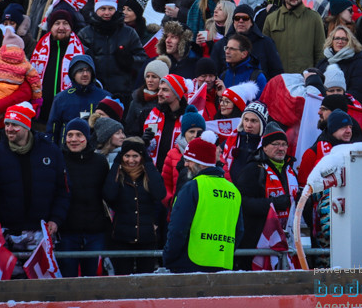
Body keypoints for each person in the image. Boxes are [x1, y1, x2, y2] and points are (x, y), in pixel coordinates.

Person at [0, 102, 70, 237]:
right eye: (7, 124)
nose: (9, 129)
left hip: (42, 231)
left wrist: (56, 219)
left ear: (26, 127)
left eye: (15, 124)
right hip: (6, 232)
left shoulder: (51, 151)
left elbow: (62, 190)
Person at [163, 136, 243, 273]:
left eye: (189, 160)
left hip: (189, 264)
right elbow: (239, 231)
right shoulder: (233, 190)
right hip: (222, 263)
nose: (185, 164)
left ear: (200, 162)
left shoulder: (193, 187)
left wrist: (169, 259)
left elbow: (178, 228)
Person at [235, 123, 298, 269]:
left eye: (284, 144)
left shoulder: (290, 169)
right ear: (264, 147)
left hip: (286, 237)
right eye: (275, 144)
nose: (281, 148)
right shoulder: (253, 169)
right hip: (257, 239)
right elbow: (242, 202)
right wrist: (272, 204)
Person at [103, 137, 168, 275]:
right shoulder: (117, 175)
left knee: (145, 281)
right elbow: (109, 194)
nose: (131, 160)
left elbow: (160, 193)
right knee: (122, 280)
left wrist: (148, 163)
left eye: (135, 156)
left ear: (142, 156)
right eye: (127, 156)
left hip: (147, 239)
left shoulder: (149, 175)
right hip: (121, 239)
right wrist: (116, 164)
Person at [78, 0, 148, 106]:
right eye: (103, 8)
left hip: (123, 95)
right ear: (96, 9)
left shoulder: (129, 33)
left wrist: (130, 60)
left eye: (111, 8)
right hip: (93, 93)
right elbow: (75, 63)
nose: (107, 13)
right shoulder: (85, 34)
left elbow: (143, 61)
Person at [58, 118, 110, 277]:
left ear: (87, 138)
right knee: (68, 279)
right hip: (67, 230)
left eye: (79, 135)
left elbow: (106, 194)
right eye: (70, 135)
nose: (73, 139)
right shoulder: (59, 160)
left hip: (94, 231)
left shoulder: (100, 162)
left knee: (93, 279)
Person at [263, 0, 325, 73]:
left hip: (305, 78)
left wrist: (315, 75)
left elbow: (320, 51)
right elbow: (265, 51)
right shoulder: (271, 19)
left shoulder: (314, 18)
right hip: (280, 79)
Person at [47, 54, 110, 144]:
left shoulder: (105, 97)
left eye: (88, 70)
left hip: (96, 151)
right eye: (80, 70)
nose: (85, 74)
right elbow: (52, 130)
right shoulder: (61, 98)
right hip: (67, 151)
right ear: (73, 74)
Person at [209, 3, 283, 77]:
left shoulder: (266, 43)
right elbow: (213, 73)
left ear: (251, 22)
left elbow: (276, 72)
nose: (241, 21)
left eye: (245, 18)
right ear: (233, 21)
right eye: (237, 18)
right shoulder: (221, 45)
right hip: (229, 87)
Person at [144, 73, 190, 170]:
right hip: (152, 173)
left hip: (177, 172)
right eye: (160, 89)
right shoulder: (153, 114)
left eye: (165, 90)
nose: (159, 93)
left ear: (177, 94)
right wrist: (143, 141)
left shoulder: (188, 118)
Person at [315, 26, 362, 105]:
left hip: (347, 109)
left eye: (344, 39)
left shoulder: (358, 63)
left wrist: (333, 103)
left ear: (350, 41)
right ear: (332, 40)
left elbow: (358, 93)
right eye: (337, 38)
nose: (340, 41)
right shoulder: (323, 62)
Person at [126, 59, 168, 136]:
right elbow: (128, 128)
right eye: (147, 76)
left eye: (154, 77)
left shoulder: (167, 101)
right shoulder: (137, 99)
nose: (150, 80)